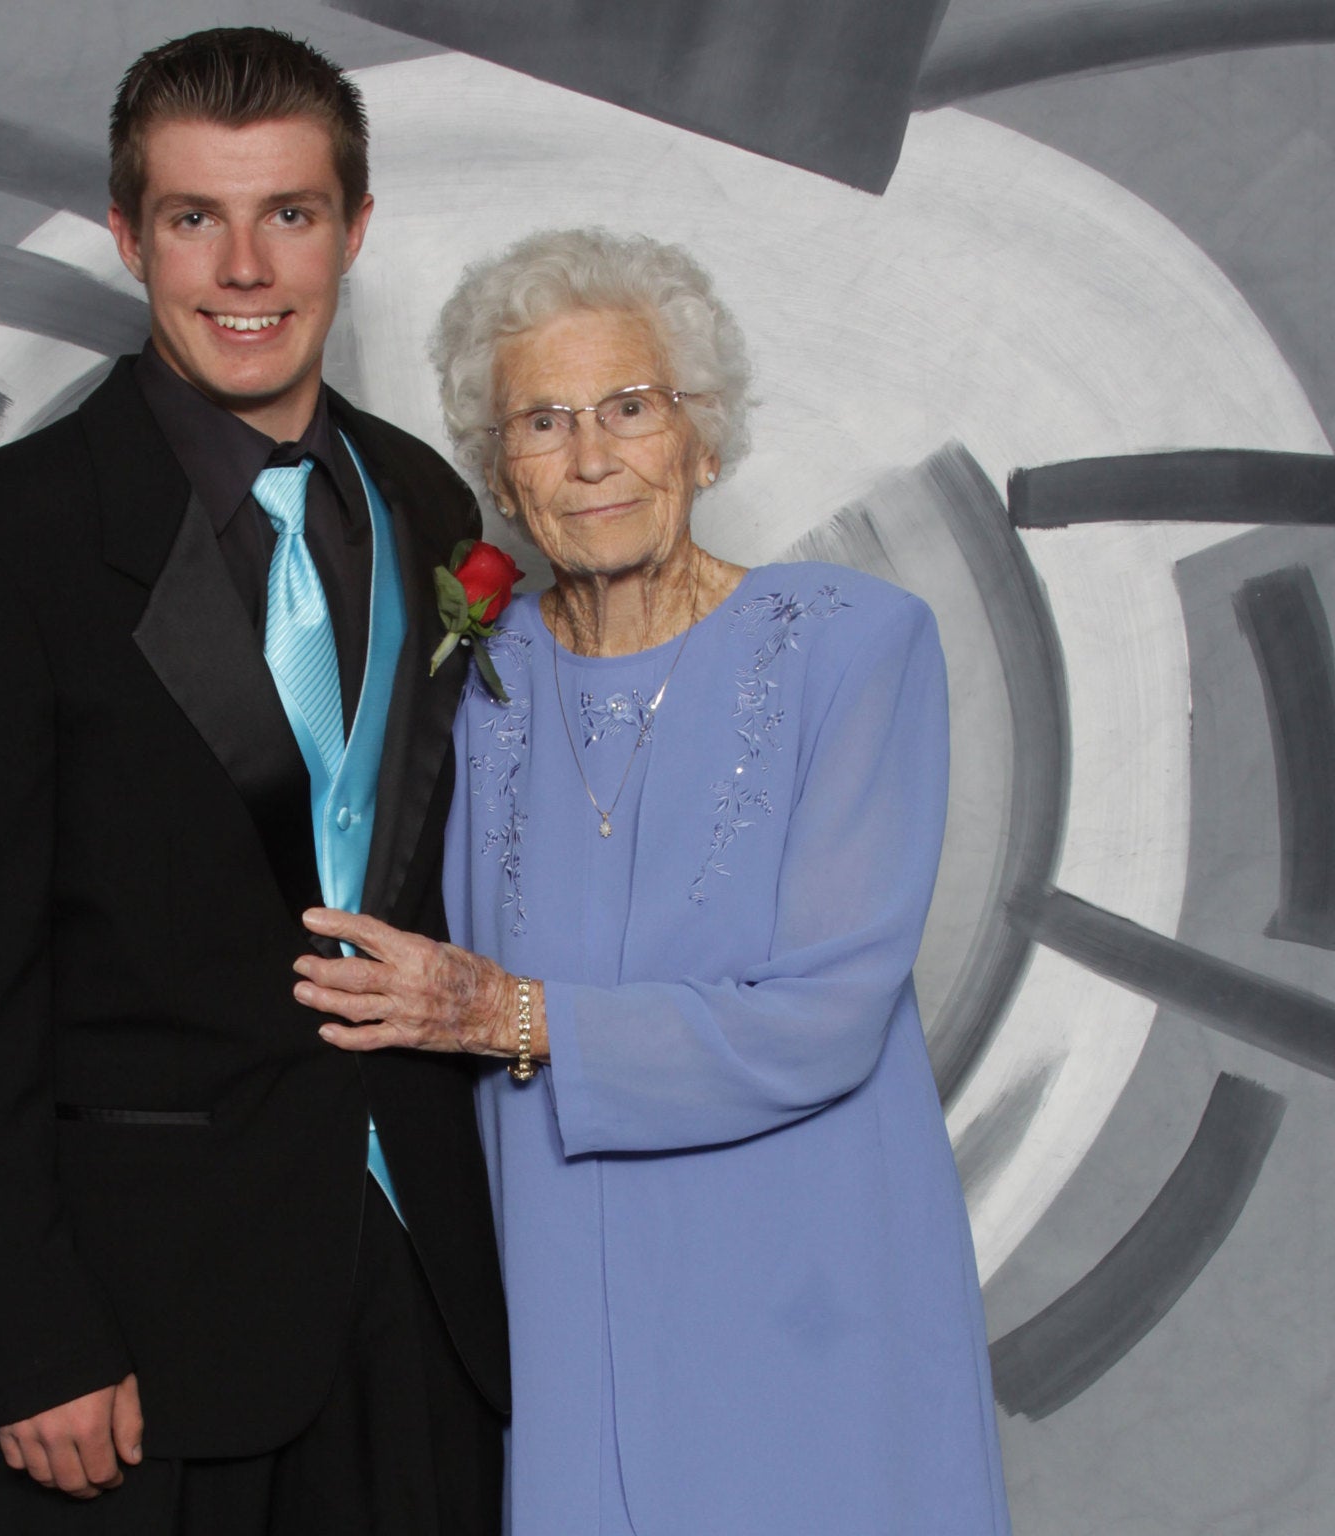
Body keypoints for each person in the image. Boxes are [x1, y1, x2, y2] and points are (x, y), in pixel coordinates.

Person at [0, 29, 507, 1536]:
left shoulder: (428, 501)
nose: (244, 267)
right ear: (126, 233)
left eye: (287, 213)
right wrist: (33, 1339)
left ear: (353, 230)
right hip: (143, 1339)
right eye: (192, 218)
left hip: (433, 1300)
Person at [295, 228, 1012, 1535]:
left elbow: (825, 1012)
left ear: (704, 437)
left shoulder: (853, 647)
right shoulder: (472, 680)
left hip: (812, 1287)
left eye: (631, 407)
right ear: (500, 474)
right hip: (563, 1297)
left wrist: (518, 1017)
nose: (591, 456)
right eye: (543, 421)